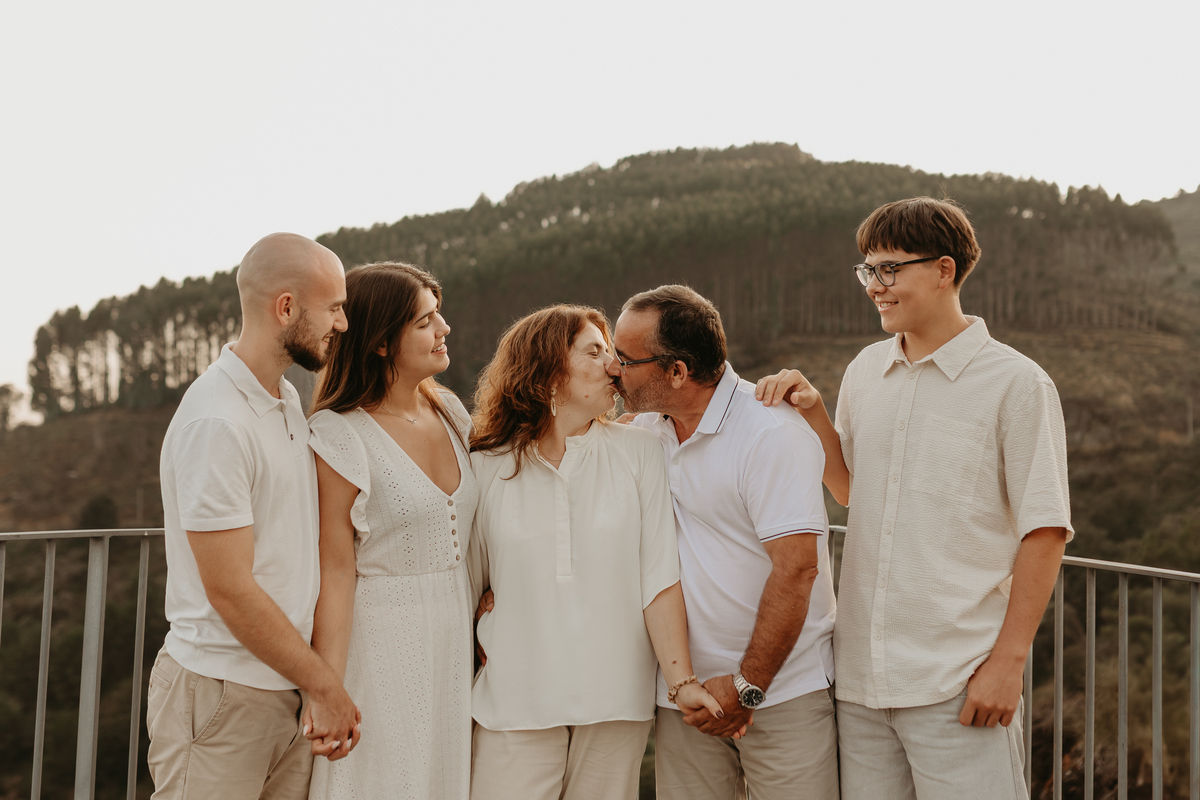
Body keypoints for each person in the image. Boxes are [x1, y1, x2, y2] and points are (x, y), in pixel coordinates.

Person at [756, 196, 1073, 800]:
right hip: (861, 687)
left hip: (958, 681)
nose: (875, 286)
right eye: (868, 270)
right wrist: (815, 413)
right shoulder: (864, 370)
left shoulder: (1017, 383)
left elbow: (1046, 530)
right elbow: (851, 489)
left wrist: (1007, 664)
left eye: (889, 269)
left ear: (944, 270)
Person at [465, 305, 723, 800]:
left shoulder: (640, 451)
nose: (614, 366)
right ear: (548, 370)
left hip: (615, 699)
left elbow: (659, 579)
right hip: (514, 698)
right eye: (595, 352)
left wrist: (681, 681)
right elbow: (470, 584)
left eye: (613, 353)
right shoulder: (485, 465)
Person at [607, 285, 840, 800]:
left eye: (624, 359)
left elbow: (797, 569)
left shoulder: (770, 433)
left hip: (782, 691)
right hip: (683, 696)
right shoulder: (642, 432)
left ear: (677, 371)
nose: (611, 369)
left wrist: (746, 686)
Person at [148, 232, 359, 799]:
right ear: (286, 308)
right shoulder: (217, 421)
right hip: (221, 697)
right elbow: (230, 588)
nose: (342, 323)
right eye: (333, 307)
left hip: (283, 690)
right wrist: (325, 685)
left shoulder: (284, 400)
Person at [304, 262, 477, 799]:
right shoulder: (338, 434)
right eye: (425, 321)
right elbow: (336, 573)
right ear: (381, 342)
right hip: (379, 643)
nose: (444, 328)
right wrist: (326, 689)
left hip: (454, 636)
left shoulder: (452, 412)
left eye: (438, 314)